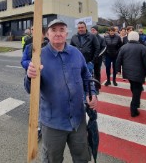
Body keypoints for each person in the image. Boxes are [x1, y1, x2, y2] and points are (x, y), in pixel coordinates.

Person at [24, 19, 98, 163]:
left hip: (78, 120)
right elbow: (29, 89)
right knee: (52, 159)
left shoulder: (76, 53)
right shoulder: (38, 57)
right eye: (54, 30)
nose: (58, 33)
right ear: (47, 34)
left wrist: (92, 93)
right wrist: (29, 76)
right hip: (53, 123)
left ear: (67, 33)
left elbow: (86, 76)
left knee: (82, 158)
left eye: (61, 30)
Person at [116, 31, 146, 117]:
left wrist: (118, 70)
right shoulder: (143, 48)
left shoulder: (123, 47)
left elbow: (118, 59)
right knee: (137, 89)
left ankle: (136, 103)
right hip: (139, 71)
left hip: (127, 71)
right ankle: (133, 108)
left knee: (134, 86)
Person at [90, 25, 106, 93]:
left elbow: (104, 48)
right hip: (90, 59)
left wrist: (97, 55)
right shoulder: (89, 38)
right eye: (92, 30)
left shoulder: (101, 38)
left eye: (94, 30)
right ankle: (90, 87)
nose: (92, 31)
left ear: (97, 31)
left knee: (97, 73)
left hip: (98, 59)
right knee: (89, 73)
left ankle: (97, 88)